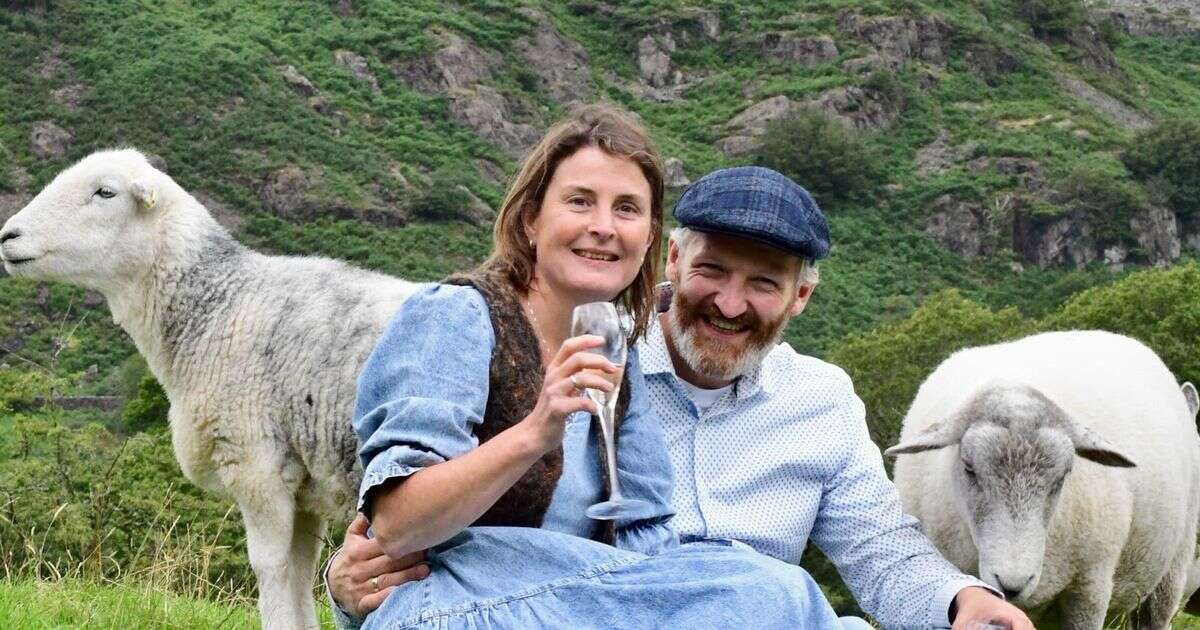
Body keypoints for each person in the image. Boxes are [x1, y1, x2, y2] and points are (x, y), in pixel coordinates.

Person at [329, 163, 1035, 629]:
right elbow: (423, 503)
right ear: (673, 259)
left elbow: (878, 545)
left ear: (802, 296)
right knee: (782, 598)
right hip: (589, 610)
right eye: (713, 270)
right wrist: (350, 573)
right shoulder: (592, 355)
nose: (730, 303)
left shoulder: (822, 401)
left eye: (763, 283)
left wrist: (959, 599)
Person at [342, 105, 860, 629]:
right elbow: (397, 525)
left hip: (573, 601)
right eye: (579, 202)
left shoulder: (614, 341)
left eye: (627, 209)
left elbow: (644, 534)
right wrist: (536, 432)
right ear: (530, 219)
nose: (603, 227)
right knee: (774, 595)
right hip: (461, 604)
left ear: (650, 238)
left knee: (770, 589)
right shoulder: (454, 317)